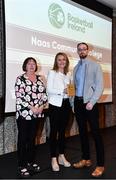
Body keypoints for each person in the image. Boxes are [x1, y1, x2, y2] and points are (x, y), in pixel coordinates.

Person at [72, 42, 105, 177]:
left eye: (84, 49)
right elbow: (73, 87)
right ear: (77, 51)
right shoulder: (75, 68)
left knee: (96, 134)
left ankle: (100, 165)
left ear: (88, 51)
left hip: (89, 104)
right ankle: (86, 159)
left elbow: (100, 85)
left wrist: (92, 101)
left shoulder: (95, 66)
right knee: (82, 133)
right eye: (79, 49)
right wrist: (73, 104)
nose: (82, 51)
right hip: (78, 103)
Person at [15, 57, 48, 178]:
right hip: (24, 114)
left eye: (33, 64)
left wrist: (40, 107)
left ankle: (30, 161)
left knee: (32, 138)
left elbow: (44, 95)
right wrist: (32, 107)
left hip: (37, 113)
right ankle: (21, 164)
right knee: (23, 139)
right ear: (25, 66)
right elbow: (19, 96)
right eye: (29, 63)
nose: (31, 65)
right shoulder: (20, 79)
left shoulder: (40, 79)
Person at [47, 52, 71, 171]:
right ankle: (53, 158)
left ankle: (61, 156)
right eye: (59, 60)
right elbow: (49, 89)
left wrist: (71, 93)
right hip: (55, 105)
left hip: (66, 105)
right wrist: (63, 90)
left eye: (64, 60)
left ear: (66, 62)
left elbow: (70, 91)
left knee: (62, 132)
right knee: (54, 132)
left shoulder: (68, 74)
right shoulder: (52, 72)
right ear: (56, 62)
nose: (62, 62)